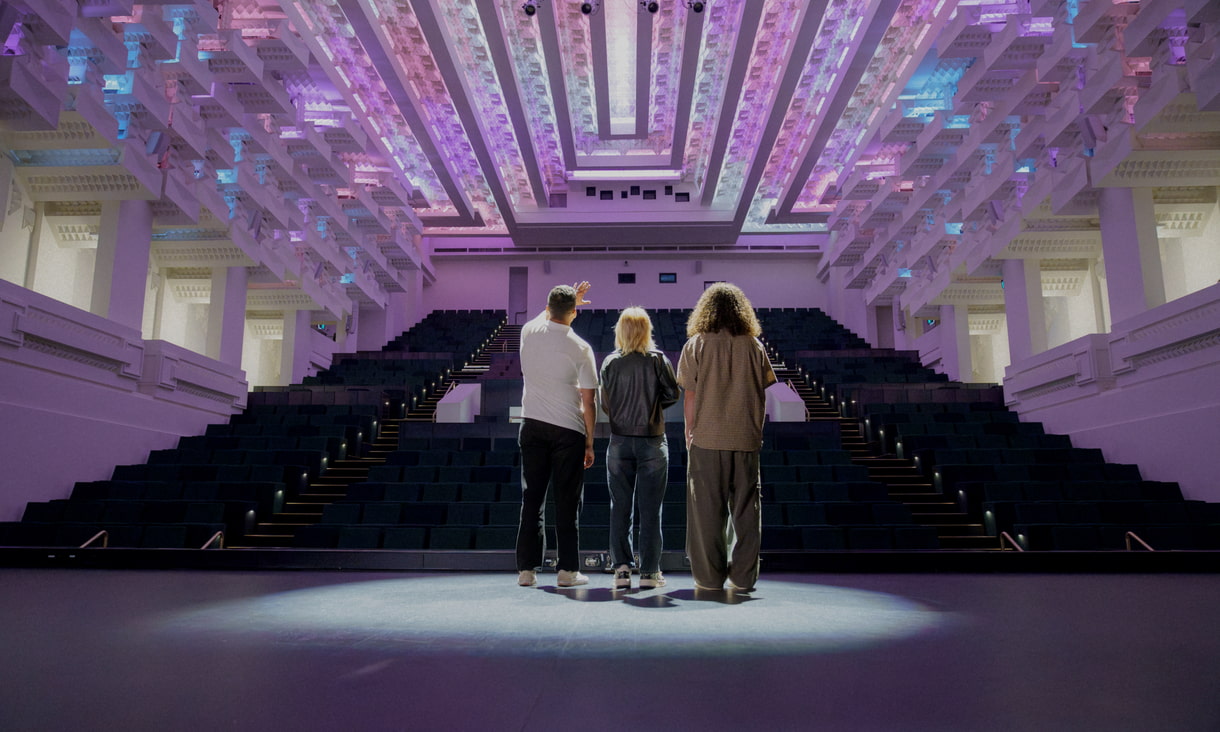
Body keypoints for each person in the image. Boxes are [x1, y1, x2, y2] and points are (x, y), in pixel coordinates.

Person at [676, 283, 776, 592]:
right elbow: (762, 390)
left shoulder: (696, 344)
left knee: (706, 512)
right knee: (747, 511)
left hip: (707, 437)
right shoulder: (754, 346)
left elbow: (690, 396)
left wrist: (688, 431)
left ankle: (709, 578)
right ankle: (744, 578)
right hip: (746, 437)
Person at [516, 281, 598, 588]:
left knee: (532, 499)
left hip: (532, 425)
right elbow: (589, 401)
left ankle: (527, 570)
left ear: (548, 307)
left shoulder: (528, 331)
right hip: (568, 431)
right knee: (567, 501)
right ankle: (567, 571)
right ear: (575, 313)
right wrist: (589, 441)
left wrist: (569, 299)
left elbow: (548, 312)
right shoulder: (581, 348)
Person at [599, 307, 680, 590]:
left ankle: (621, 570)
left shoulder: (610, 362)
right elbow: (673, 394)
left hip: (619, 442)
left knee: (620, 508)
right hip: (653, 441)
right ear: (647, 330)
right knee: (650, 510)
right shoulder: (659, 360)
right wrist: (653, 408)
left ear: (620, 331)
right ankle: (649, 573)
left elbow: (605, 404)